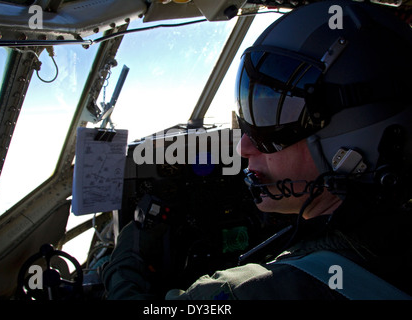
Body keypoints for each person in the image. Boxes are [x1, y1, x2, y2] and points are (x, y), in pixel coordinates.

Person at [101, 0, 412, 300]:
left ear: (349, 148)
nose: (244, 146)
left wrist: (130, 251)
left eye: (270, 123)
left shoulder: (258, 291)